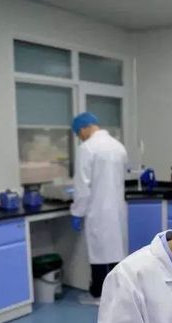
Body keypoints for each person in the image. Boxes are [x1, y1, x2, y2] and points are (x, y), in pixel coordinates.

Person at [70, 112, 128, 306]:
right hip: (117, 208)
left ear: (84, 128)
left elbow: (82, 187)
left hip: (98, 209)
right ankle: (115, 293)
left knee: (99, 252)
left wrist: (77, 212)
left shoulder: (87, 148)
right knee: (115, 251)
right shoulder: (118, 147)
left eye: (78, 133)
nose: (79, 137)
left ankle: (98, 294)